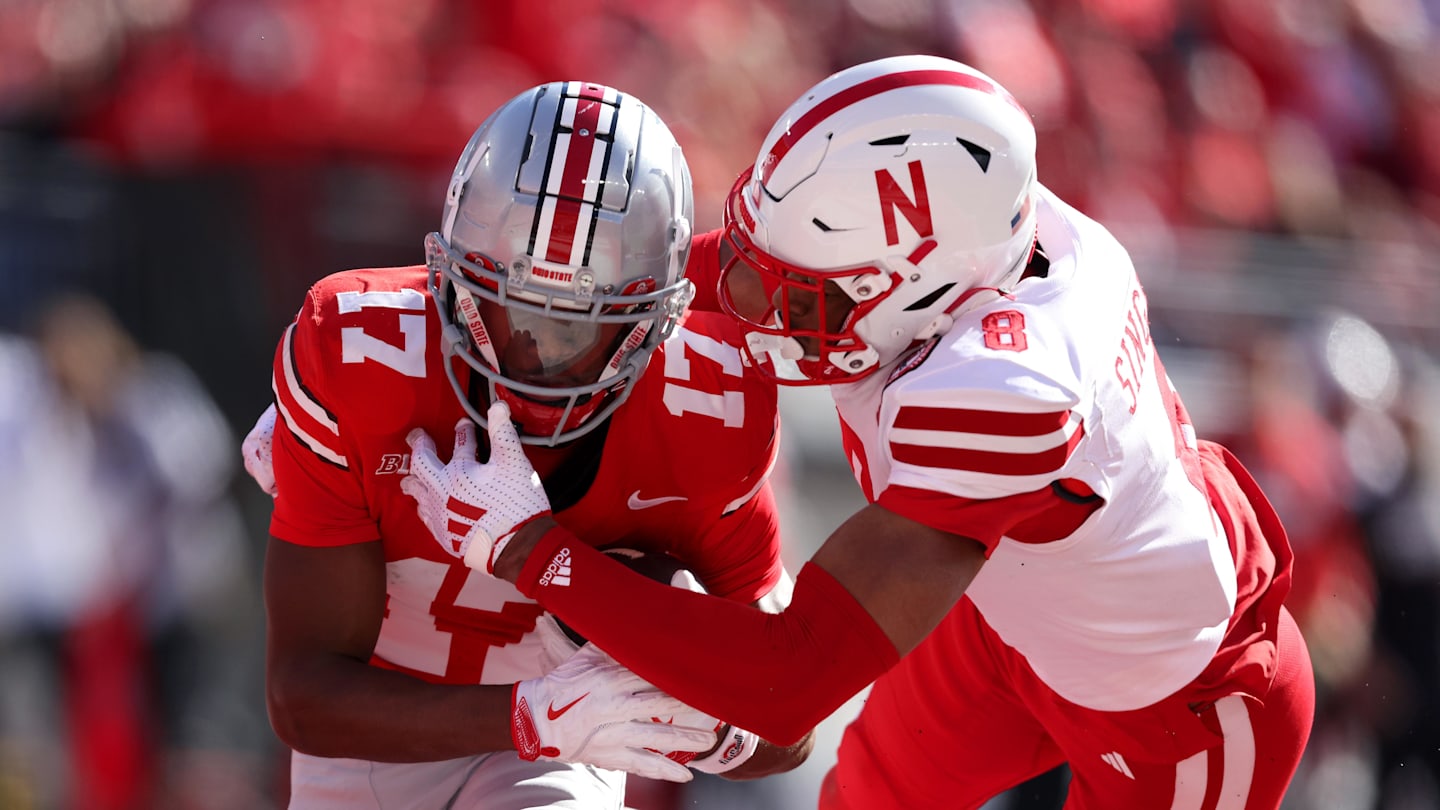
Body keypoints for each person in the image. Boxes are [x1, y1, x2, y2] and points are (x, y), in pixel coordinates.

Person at [405, 56, 1317, 808]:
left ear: (910, 289)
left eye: (792, 290)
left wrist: (529, 549)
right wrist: (420, 323)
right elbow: (658, 290)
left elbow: (788, 685)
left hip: (1180, 702)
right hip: (1010, 614)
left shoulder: (1005, 391)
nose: (751, 300)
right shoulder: (967, 250)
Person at [250, 80, 812, 809]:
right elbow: (304, 696)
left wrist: (710, 727)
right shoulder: (359, 356)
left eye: (580, 328)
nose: (538, 358)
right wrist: (529, 715)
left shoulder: (707, 407)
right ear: (445, 273)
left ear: (660, 317)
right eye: (509, 311)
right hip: (380, 743)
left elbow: (791, 714)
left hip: (565, 756)